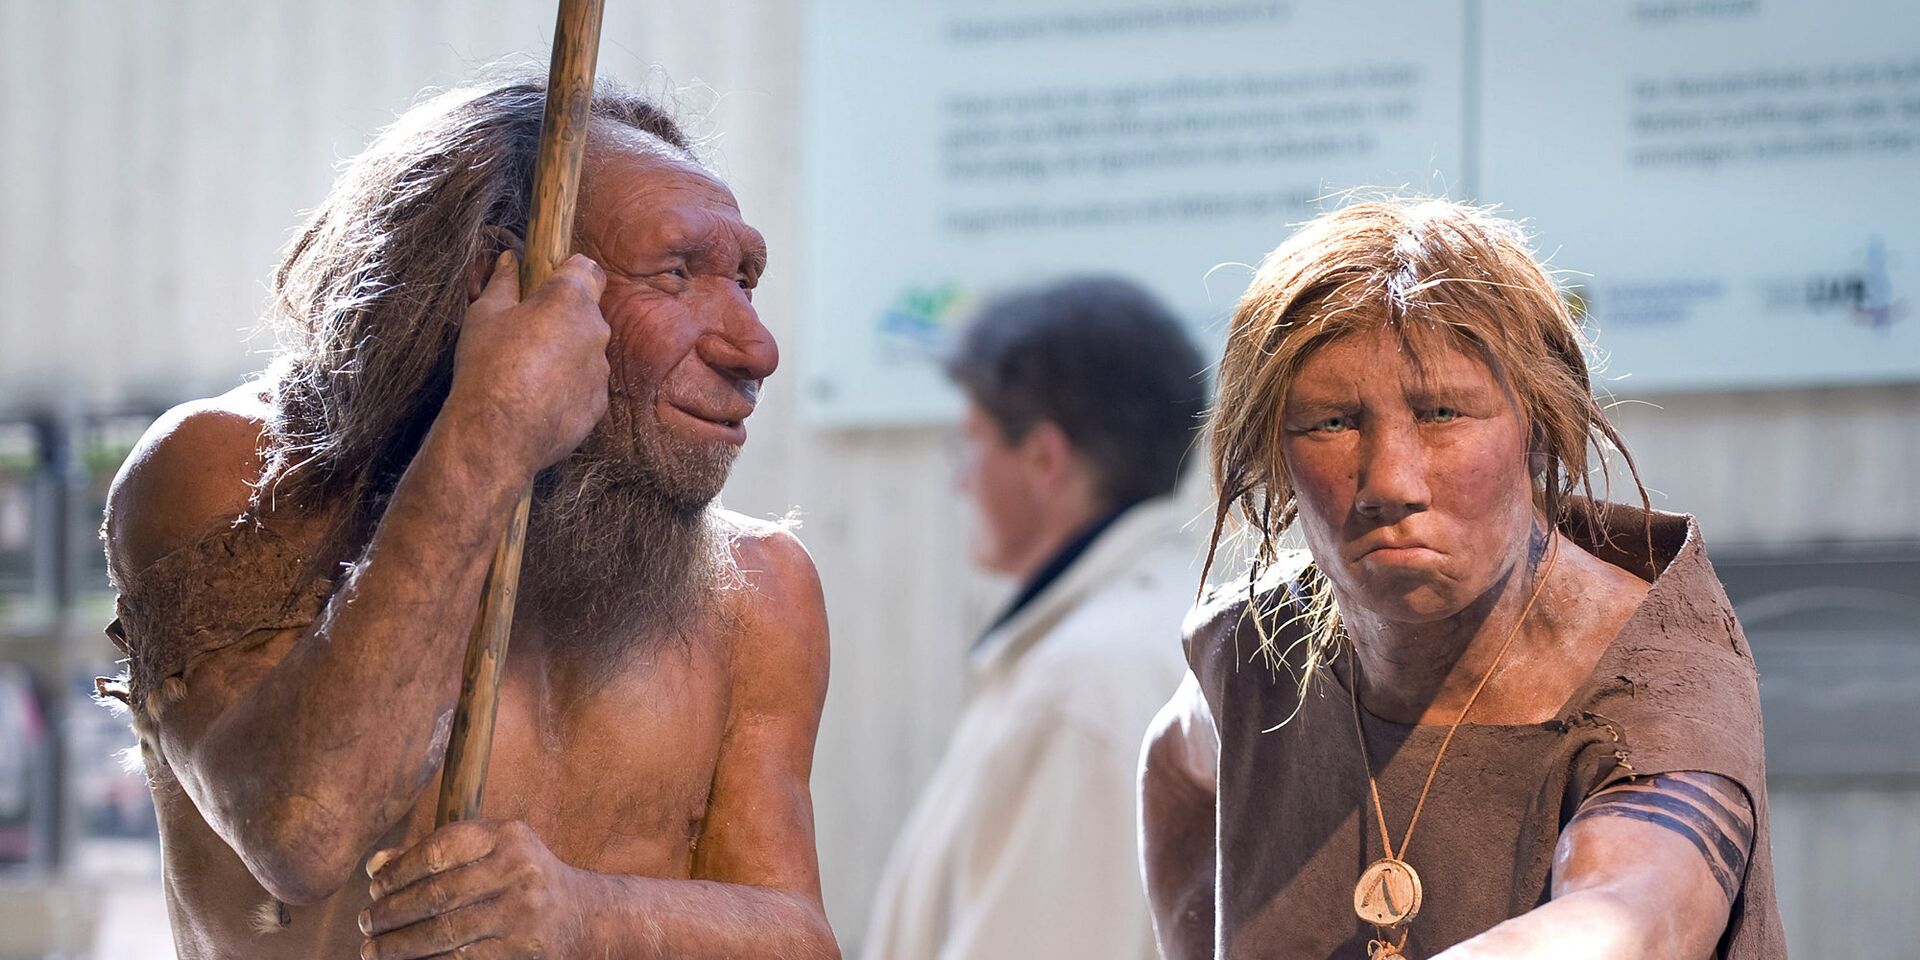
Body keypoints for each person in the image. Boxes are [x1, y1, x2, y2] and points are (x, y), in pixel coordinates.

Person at [96, 76, 837, 959]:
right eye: (678, 273)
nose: (756, 347)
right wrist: (489, 432)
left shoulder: (759, 591)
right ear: (493, 280)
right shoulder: (234, 477)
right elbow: (303, 828)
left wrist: (582, 914)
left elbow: (797, 936)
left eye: (747, 278)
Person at [1140, 198, 1786, 959]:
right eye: (1332, 423)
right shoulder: (1255, 649)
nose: (1391, 480)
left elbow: (1635, 914)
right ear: (1276, 455)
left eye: (1442, 412)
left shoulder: (1650, 683)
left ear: (1537, 428)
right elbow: (1176, 763)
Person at [863, 277, 1208, 960]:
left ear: (1043, 459)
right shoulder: (1163, 623)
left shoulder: (1084, 681)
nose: (962, 480)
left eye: (973, 443)